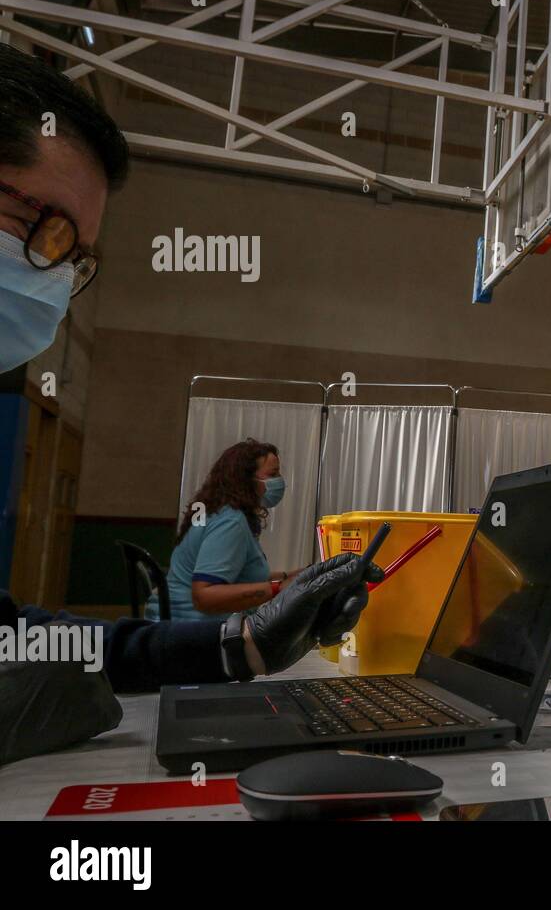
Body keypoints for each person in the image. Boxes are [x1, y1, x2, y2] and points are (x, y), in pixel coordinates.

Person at [0, 42, 379, 763]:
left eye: (74, 256)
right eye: (44, 230)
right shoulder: (232, 524)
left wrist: (244, 646)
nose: (52, 278)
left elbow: (12, 637)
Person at [152, 438, 303, 620]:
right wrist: (279, 588)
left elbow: (237, 575)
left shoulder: (210, 510)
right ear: (246, 480)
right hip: (192, 630)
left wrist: (290, 577)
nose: (279, 482)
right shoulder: (230, 522)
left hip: (174, 621)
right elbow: (204, 597)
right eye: (273, 474)